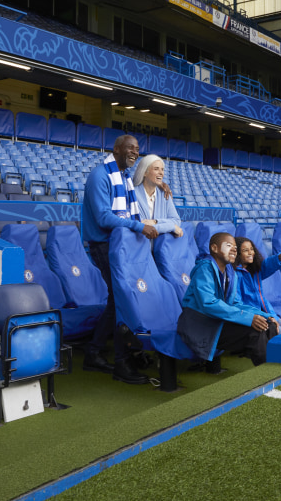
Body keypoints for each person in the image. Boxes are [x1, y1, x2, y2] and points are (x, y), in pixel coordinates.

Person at [81, 135, 158, 384]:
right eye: (130, 148)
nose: (135, 152)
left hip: (122, 246)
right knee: (119, 298)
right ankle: (103, 354)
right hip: (104, 246)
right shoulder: (99, 176)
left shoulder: (125, 177)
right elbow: (103, 218)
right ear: (116, 149)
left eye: (137, 149)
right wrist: (137, 227)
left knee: (120, 297)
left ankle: (101, 351)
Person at [177, 231, 278, 370]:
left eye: (235, 248)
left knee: (268, 324)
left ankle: (279, 368)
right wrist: (249, 318)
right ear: (214, 248)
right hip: (200, 324)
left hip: (217, 320)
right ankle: (269, 375)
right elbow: (208, 304)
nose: (234, 250)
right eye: (229, 245)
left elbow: (235, 303)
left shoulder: (230, 273)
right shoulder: (204, 269)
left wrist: (267, 316)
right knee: (257, 331)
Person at [234, 237, 281, 335]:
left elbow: (267, 265)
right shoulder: (235, 274)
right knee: (278, 331)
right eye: (245, 250)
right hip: (252, 315)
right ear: (238, 254)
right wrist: (263, 316)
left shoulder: (254, 269)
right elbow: (238, 303)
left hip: (265, 310)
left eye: (251, 249)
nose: (250, 253)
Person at [132, 154, 183, 237]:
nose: (161, 173)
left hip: (160, 247)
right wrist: (170, 226)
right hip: (140, 246)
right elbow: (141, 225)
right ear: (145, 172)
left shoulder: (165, 194)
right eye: (156, 169)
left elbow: (176, 221)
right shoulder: (133, 193)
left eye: (162, 170)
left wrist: (155, 222)